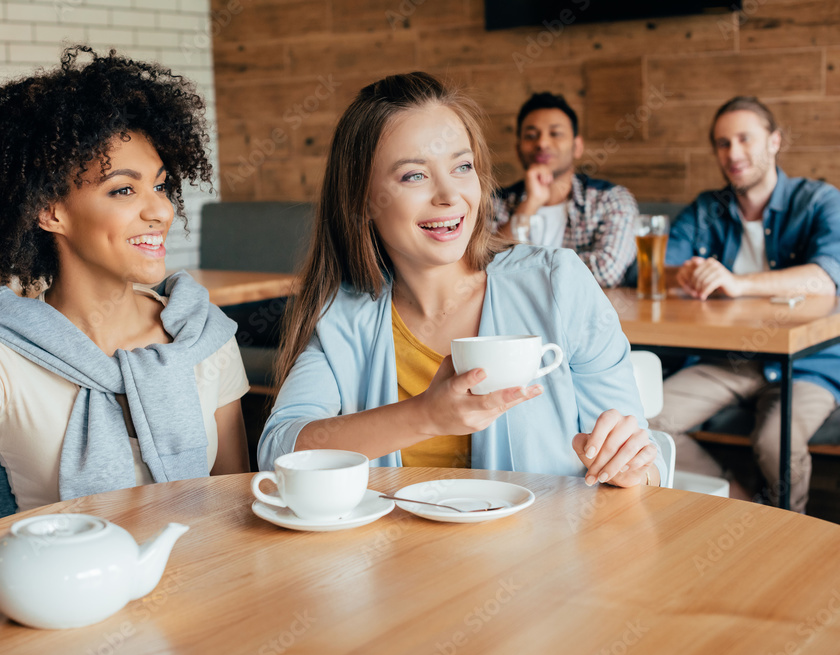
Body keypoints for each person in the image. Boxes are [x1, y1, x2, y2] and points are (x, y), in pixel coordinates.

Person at [0, 46, 250, 532]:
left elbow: (236, 503)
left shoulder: (201, 336)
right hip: (62, 602)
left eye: (161, 186)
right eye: (124, 190)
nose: (161, 211)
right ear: (49, 212)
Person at [258, 72, 665, 489]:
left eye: (462, 166)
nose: (449, 194)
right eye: (413, 175)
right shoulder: (342, 314)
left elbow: (643, 468)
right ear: (361, 198)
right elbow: (279, 452)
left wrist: (632, 468)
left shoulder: (558, 285)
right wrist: (425, 416)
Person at [650, 96, 840, 512]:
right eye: (722, 143)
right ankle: (738, 505)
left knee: (775, 442)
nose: (733, 153)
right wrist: (681, 275)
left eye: (744, 139)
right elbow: (657, 270)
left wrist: (737, 284)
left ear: (774, 141)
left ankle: (791, 538)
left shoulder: (819, 200)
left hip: (809, 361)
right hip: (730, 359)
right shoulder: (707, 209)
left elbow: (827, 278)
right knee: (645, 422)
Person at [491, 92, 638, 288]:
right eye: (531, 136)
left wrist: (520, 271)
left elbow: (606, 271)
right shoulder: (494, 202)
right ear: (518, 150)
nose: (542, 143)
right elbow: (483, 264)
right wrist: (531, 202)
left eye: (555, 133)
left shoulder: (611, 200)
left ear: (577, 147)